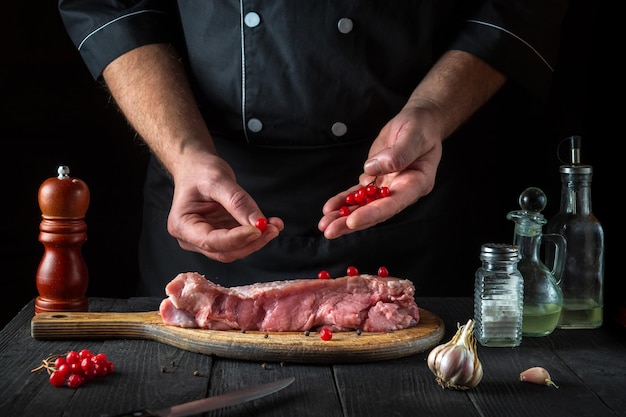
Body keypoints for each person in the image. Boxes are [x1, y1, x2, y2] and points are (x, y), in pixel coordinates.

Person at [57, 1, 570, 297]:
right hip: (208, 195)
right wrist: (184, 150)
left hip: (402, 191)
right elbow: (109, 2)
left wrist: (432, 111)